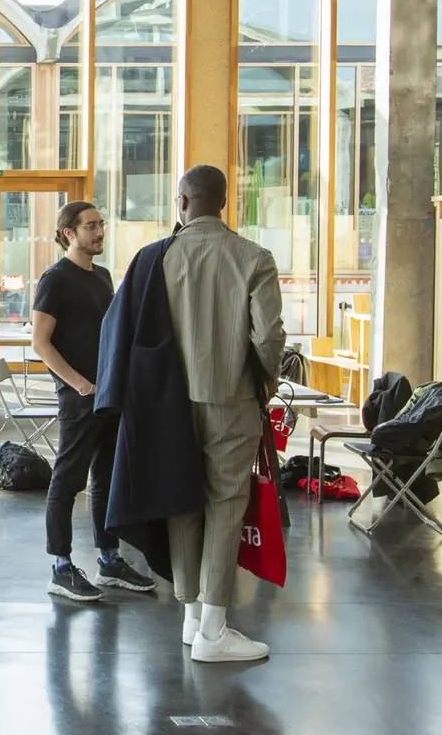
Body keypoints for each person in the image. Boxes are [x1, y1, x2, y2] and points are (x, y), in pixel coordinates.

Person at [162, 165, 284, 663]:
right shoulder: (254, 258)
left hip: (172, 402)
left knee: (183, 501)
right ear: (225, 202)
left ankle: (191, 617)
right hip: (232, 399)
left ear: (182, 203)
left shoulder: (160, 257)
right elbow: (269, 335)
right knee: (226, 503)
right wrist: (267, 381)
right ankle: (214, 627)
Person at [33, 201, 156, 602]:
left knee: (104, 477)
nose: (99, 232)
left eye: (101, 224)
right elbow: (41, 343)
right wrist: (80, 385)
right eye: (91, 226)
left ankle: (108, 559)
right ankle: (61, 567)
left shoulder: (102, 276)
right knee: (67, 481)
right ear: (69, 232)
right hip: (79, 398)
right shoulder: (55, 279)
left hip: (108, 395)